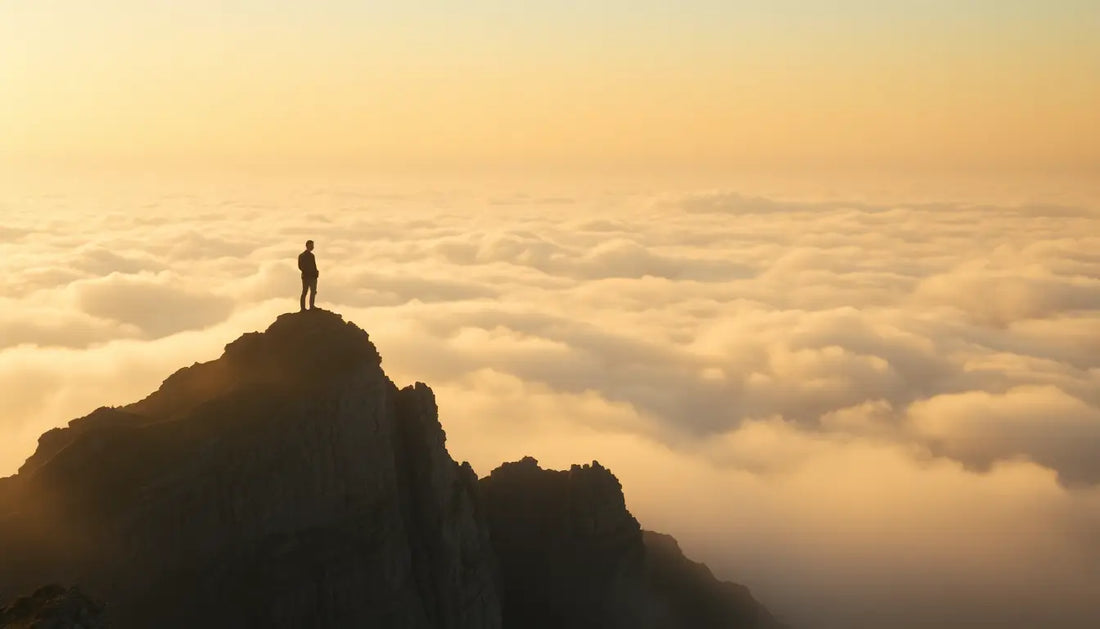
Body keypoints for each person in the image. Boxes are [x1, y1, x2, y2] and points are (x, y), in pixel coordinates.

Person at [298, 240, 319, 311]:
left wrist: (316, 272)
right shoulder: (302, 256)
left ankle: (311, 306)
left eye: (313, 245)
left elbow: (314, 266)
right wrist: (309, 272)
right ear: (307, 246)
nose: (312, 247)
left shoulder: (311, 255)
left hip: (312, 276)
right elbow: (300, 266)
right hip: (307, 276)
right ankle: (303, 308)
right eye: (311, 245)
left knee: (313, 291)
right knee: (305, 292)